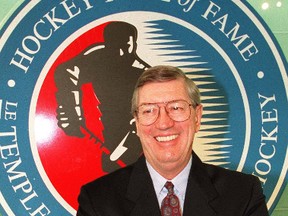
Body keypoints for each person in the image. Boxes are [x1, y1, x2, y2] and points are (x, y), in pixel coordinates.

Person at [77, 65, 269, 216]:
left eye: (176, 108)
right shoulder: (98, 201)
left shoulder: (243, 194)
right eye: (149, 110)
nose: (164, 123)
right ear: (136, 123)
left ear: (197, 117)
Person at [54, 21, 150, 172]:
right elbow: (66, 72)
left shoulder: (144, 73)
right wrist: (72, 109)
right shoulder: (98, 58)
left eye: (126, 46)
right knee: (109, 167)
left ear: (134, 44)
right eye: (115, 46)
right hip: (107, 121)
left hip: (133, 126)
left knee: (117, 164)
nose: (120, 52)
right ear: (107, 44)